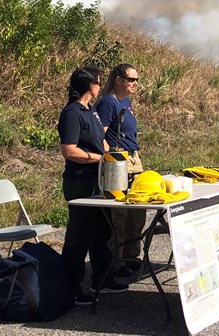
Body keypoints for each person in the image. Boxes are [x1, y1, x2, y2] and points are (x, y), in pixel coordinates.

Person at [58, 66, 128, 305]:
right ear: (90, 86)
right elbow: (69, 150)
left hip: (99, 180)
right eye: (99, 83)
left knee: (102, 230)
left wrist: (113, 156)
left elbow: (101, 142)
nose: (101, 87)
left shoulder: (91, 112)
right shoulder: (72, 113)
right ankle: (71, 286)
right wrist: (99, 159)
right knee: (80, 236)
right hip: (80, 182)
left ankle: (103, 279)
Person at [96, 63, 145, 277]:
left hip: (135, 159)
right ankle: (116, 261)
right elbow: (101, 135)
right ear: (118, 79)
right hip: (119, 160)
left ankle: (131, 256)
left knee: (137, 211)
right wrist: (110, 161)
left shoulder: (126, 100)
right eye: (131, 80)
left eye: (136, 80)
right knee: (119, 214)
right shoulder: (108, 102)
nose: (135, 84)